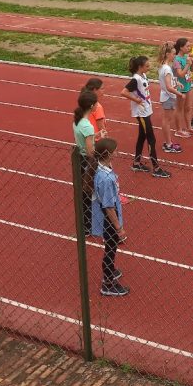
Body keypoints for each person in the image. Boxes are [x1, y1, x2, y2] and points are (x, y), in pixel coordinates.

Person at [120, 55, 171, 178]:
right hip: (141, 113)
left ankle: (136, 163)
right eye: (147, 66)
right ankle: (156, 168)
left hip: (146, 110)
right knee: (151, 139)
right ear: (140, 67)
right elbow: (124, 92)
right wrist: (136, 100)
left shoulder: (143, 75)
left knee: (142, 137)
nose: (149, 67)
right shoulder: (136, 79)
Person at [91, 137, 129, 297]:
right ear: (107, 154)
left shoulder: (104, 168)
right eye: (115, 151)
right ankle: (107, 283)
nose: (117, 152)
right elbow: (108, 207)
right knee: (110, 248)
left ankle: (111, 270)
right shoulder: (105, 179)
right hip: (109, 218)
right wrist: (119, 228)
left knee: (111, 246)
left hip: (108, 215)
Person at [73, 90, 98, 235]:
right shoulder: (88, 126)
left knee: (84, 193)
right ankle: (89, 225)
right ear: (92, 106)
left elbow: (84, 140)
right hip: (87, 162)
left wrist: (96, 135)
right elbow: (90, 151)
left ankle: (86, 224)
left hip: (80, 160)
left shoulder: (77, 122)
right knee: (89, 193)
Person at [158, 43, 183, 154]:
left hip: (167, 96)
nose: (175, 56)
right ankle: (168, 144)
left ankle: (168, 142)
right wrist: (180, 94)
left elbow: (168, 81)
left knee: (167, 120)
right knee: (167, 121)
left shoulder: (163, 66)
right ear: (167, 54)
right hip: (168, 97)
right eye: (173, 54)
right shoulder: (167, 68)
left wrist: (176, 83)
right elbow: (168, 86)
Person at [173, 37, 193, 135]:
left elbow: (191, 70)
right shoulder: (176, 60)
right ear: (181, 48)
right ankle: (178, 130)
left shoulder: (187, 56)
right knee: (179, 109)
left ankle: (189, 127)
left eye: (189, 46)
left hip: (188, 85)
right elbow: (180, 74)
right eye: (187, 46)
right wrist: (187, 64)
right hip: (180, 87)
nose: (189, 48)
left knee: (188, 108)